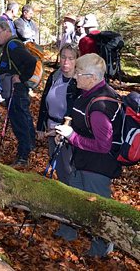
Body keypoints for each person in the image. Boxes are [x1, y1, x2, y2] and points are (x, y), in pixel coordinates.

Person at [55, 53, 123, 257]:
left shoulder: (101, 105)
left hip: (98, 167)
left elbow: (103, 145)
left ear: (92, 77)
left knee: (99, 210)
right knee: (74, 199)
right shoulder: (88, 95)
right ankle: (68, 231)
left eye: (78, 73)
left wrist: (72, 136)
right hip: (83, 161)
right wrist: (66, 135)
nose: (74, 77)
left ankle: (101, 250)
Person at [0, 21, 37, 165]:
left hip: (16, 90)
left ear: (7, 31)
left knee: (19, 122)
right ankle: (30, 148)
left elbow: (31, 61)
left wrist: (21, 78)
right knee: (23, 118)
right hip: (14, 90)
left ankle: (23, 157)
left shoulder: (12, 45)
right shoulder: (8, 46)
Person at [37, 44, 80, 184]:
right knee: (58, 167)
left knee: (69, 168)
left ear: (76, 61)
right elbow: (44, 101)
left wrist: (62, 130)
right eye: (63, 57)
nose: (66, 62)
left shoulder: (79, 82)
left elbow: (76, 111)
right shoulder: (55, 76)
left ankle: (73, 196)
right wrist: (40, 126)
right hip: (51, 128)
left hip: (68, 133)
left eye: (71, 58)